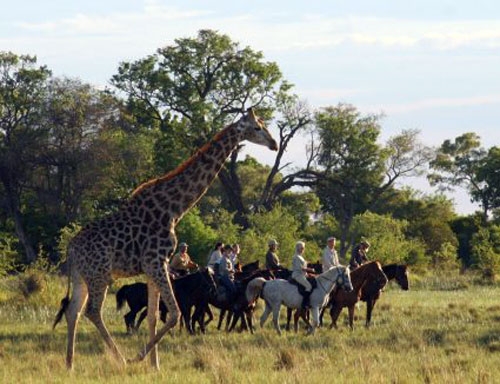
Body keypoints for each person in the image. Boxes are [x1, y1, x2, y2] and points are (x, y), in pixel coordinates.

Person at [291, 241, 315, 309]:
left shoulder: (300, 256)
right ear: (298, 248)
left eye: (303, 248)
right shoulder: (296, 257)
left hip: (303, 274)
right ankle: (304, 303)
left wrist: (308, 273)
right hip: (297, 275)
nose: (303, 249)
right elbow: (300, 268)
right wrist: (310, 270)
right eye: (302, 248)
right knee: (309, 286)